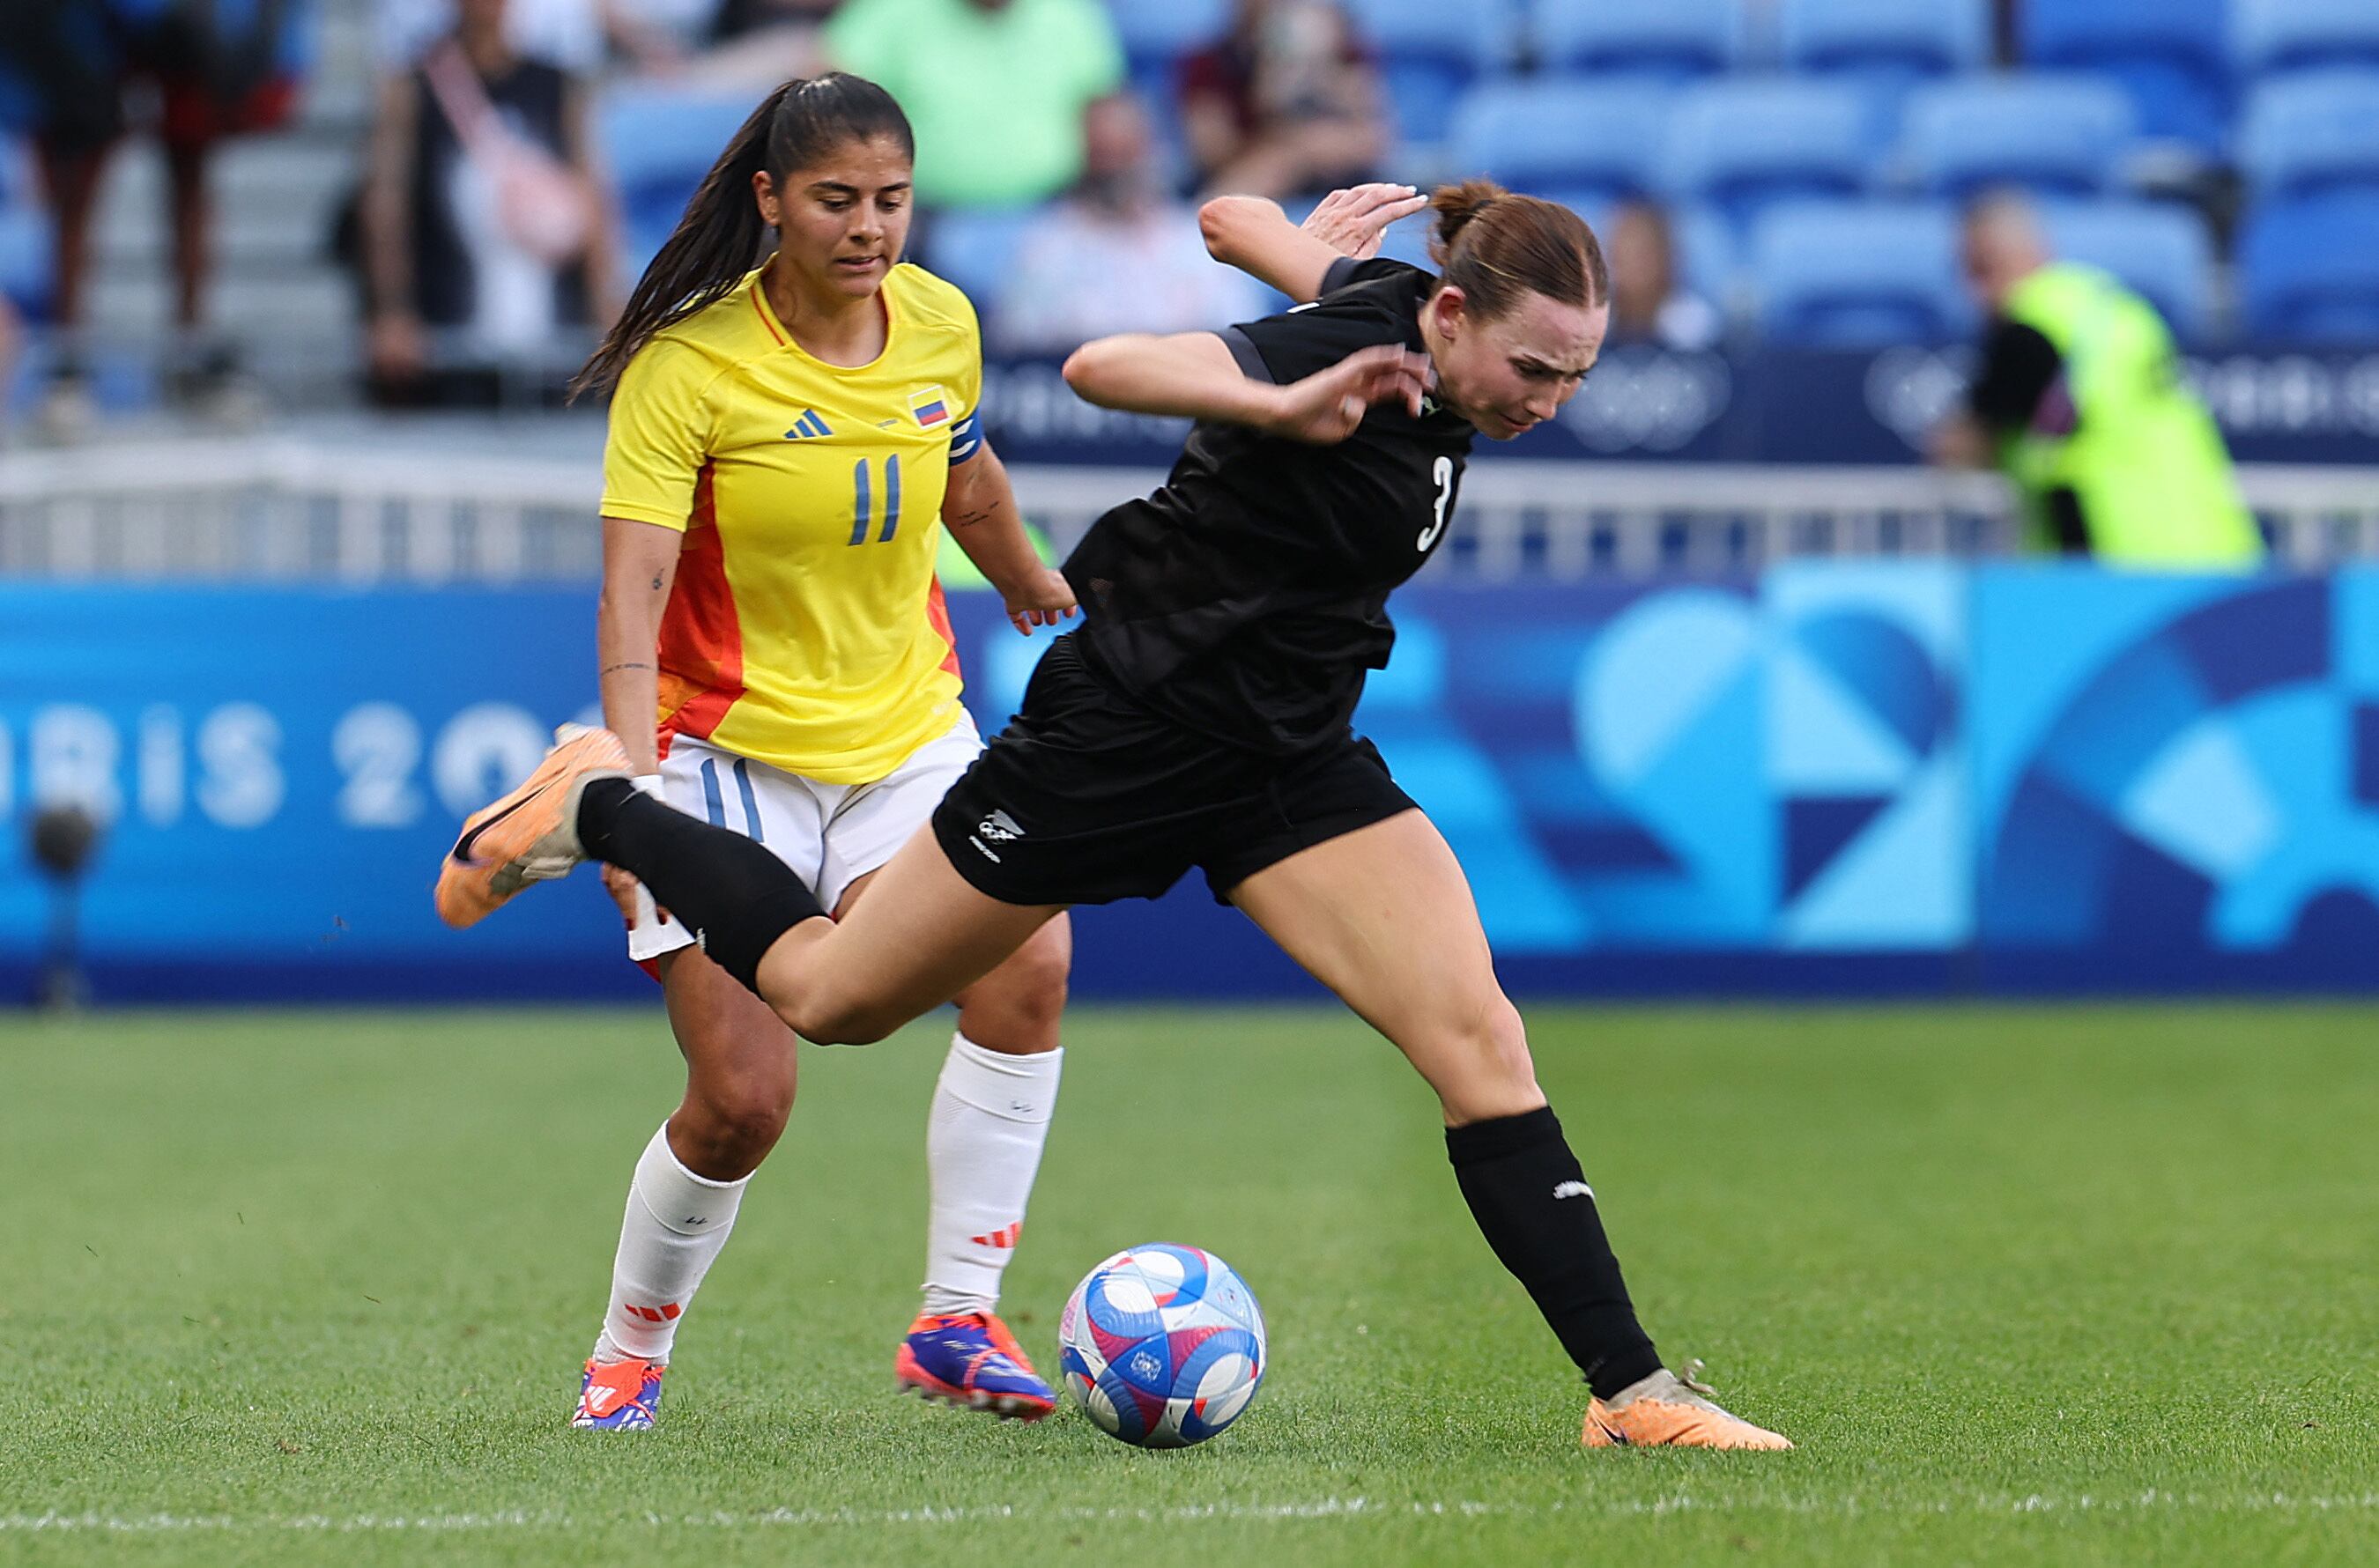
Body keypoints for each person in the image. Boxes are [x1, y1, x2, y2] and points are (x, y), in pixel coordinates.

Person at [440, 177, 1795, 1452]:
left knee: (1480, 1041)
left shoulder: (1396, 311)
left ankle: (1631, 1392)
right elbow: (1107, 369)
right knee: (836, 1000)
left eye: (1577, 374)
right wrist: (1287, 394)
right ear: (1450, 313)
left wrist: (1290, 235)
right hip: (1118, 741)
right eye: (1538, 369)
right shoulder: (1336, 353)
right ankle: (605, 802)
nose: (1553, 401)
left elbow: (1229, 216)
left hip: (1287, 759)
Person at [539, 73, 1078, 1431]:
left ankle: (957, 1317)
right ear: (772, 201)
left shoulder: (941, 321)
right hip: (722, 761)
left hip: (907, 740)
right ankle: (628, 1352)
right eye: (837, 201)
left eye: (891, 200)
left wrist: (1029, 582)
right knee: (743, 1101)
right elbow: (633, 592)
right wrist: (630, 778)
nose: (870, 228)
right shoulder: (691, 367)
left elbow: (967, 473)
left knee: (1032, 965)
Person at [6, 0, 306, 432]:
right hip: (98, 23)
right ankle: (68, 364)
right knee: (83, 161)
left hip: (177, 22)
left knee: (190, 159)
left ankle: (189, 351)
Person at [1931, 189, 2264, 569]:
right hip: (2214, 545)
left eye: (1983, 269)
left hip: (2117, 559)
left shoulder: (2027, 328)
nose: (1976, 293)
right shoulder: (2114, 306)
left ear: (2026, 252)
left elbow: (1966, 444)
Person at [359, 0, 619, 405]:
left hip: (552, 331)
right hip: (446, 332)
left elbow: (593, 199)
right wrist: (392, 310)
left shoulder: (558, 87)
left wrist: (606, 304)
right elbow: (387, 208)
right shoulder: (413, 89)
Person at [990, 93, 1264, 353]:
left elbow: (1243, 346)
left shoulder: (1199, 242)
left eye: (1125, 152)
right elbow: (1017, 357)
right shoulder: (1047, 247)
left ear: (1152, 149)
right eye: (1103, 155)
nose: (1115, 170)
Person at [823, 0, 1123, 211]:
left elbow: (1105, 111)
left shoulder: (1068, 13)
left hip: (1055, 210)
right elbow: (831, 93)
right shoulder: (891, 10)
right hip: (923, 214)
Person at [1178, 0, 1384, 201]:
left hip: (1337, 180)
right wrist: (1295, 141)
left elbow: (1372, 140)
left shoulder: (1341, 49)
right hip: (1245, 178)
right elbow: (1213, 151)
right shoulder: (1209, 63)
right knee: (1272, 167)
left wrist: (1324, 73)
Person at [1602, 198, 1722, 352]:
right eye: (1622, 256)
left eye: (1642, 256)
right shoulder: (1589, 329)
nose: (1632, 267)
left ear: (1668, 257)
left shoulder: (1700, 331)